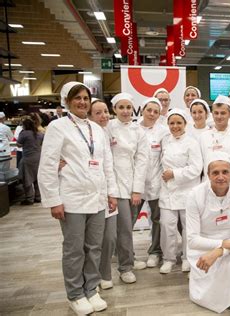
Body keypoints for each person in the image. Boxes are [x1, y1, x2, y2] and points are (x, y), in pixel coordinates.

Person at [38, 81, 118, 315]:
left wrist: (111, 193)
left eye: (85, 98)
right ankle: (75, 294)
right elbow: (48, 164)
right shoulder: (58, 127)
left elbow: (107, 164)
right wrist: (53, 200)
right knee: (74, 249)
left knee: (94, 247)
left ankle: (91, 289)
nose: (82, 102)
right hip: (71, 199)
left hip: (97, 198)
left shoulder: (98, 129)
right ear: (67, 101)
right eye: (77, 98)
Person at [186, 152, 230, 313]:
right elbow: (193, 240)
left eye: (225, 172)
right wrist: (223, 244)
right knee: (201, 295)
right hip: (202, 247)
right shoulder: (195, 195)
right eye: (215, 173)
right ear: (208, 175)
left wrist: (218, 251)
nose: (220, 177)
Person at [107, 92, 149, 284]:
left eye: (128, 107)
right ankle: (125, 267)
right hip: (112, 183)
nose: (125, 111)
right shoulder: (107, 128)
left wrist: (137, 189)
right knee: (123, 228)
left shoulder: (138, 131)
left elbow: (142, 161)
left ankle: (127, 256)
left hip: (132, 183)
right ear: (114, 109)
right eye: (121, 107)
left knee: (127, 225)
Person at [159, 108, 203, 274]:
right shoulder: (165, 141)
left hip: (187, 190)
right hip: (167, 191)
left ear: (185, 124)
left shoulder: (192, 143)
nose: (175, 126)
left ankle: (187, 258)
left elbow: (196, 168)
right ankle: (168, 259)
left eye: (179, 123)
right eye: (172, 123)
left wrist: (174, 174)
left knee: (188, 227)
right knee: (167, 225)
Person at [85, 98, 119, 291]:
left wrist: (112, 192)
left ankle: (105, 273)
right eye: (98, 113)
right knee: (92, 241)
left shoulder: (111, 131)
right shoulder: (84, 134)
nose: (103, 116)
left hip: (110, 191)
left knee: (110, 238)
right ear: (90, 115)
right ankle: (92, 277)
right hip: (90, 194)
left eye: (105, 111)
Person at [138, 98, 170, 269]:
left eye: (156, 111)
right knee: (128, 221)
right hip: (135, 184)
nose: (152, 114)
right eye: (149, 110)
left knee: (158, 220)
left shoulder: (164, 131)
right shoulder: (133, 128)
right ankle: (128, 254)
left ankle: (155, 252)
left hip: (157, 182)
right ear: (142, 110)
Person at [199, 95, 230, 186]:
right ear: (212, 114)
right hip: (208, 186)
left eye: (223, 113)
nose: (219, 116)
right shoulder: (203, 137)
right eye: (216, 113)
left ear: (229, 114)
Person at [17, 117, 43, 205]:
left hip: (28, 158)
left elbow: (19, 144)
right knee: (37, 178)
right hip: (39, 158)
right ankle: (38, 197)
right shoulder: (39, 133)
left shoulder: (24, 133)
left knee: (27, 179)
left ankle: (29, 198)